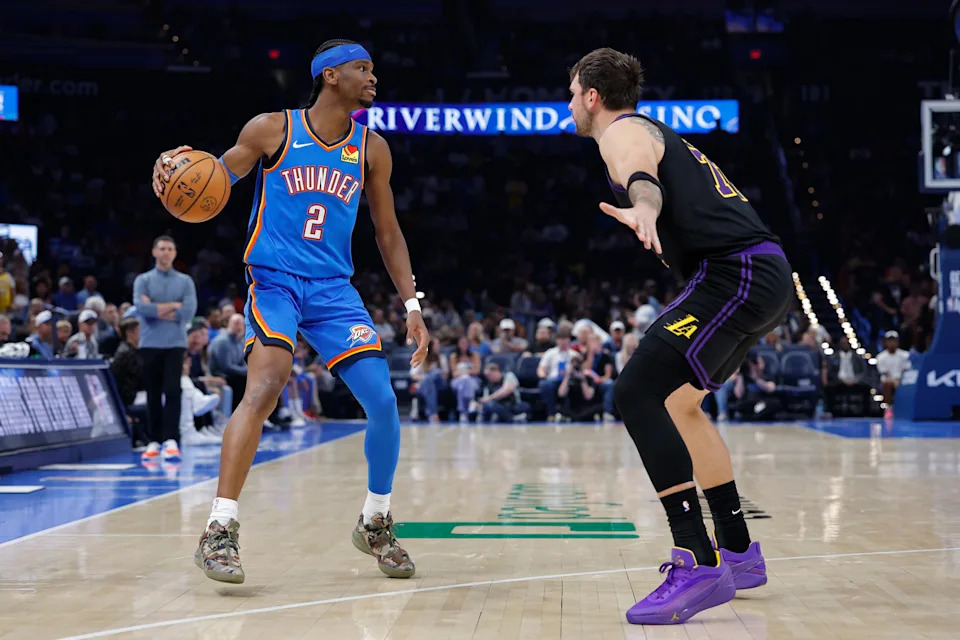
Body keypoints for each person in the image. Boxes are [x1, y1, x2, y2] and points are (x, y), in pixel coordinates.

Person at [151, 39, 428, 584]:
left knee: (384, 402)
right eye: (362, 69)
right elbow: (219, 178)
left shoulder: (373, 149)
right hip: (274, 282)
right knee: (266, 385)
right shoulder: (271, 129)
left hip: (333, 290)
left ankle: (375, 521)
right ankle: (219, 529)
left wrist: (413, 304)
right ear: (330, 76)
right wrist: (183, 170)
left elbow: (388, 232)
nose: (373, 78)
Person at [568, 47, 793, 624]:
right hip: (758, 273)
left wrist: (643, 205)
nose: (571, 104)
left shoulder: (622, 132)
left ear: (592, 96)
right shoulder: (656, 131)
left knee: (635, 392)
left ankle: (696, 559)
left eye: (572, 93)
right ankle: (740, 552)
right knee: (680, 404)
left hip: (734, 273)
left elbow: (641, 175)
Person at [133, 236, 198, 464]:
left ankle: (171, 439)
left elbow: (188, 312)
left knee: (172, 390)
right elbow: (141, 308)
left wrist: (156, 307)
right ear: (153, 252)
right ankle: (153, 440)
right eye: (162, 248)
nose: (166, 252)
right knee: (152, 392)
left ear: (175, 253)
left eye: (170, 248)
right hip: (150, 342)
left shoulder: (185, 281)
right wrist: (173, 306)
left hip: (175, 343)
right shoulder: (143, 279)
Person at [875, 330, 911, 419]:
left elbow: (906, 370)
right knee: (886, 383)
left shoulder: (905, 355)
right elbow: (885, 373)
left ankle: (906, 409)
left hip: (902, 380)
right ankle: (889, 408)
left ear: (897, 342)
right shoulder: (880, 357)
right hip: (888, 380)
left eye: (894, 340)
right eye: (890, 341)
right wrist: (894, 381)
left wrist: (899, 381)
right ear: (886, 342)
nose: (892, 343)